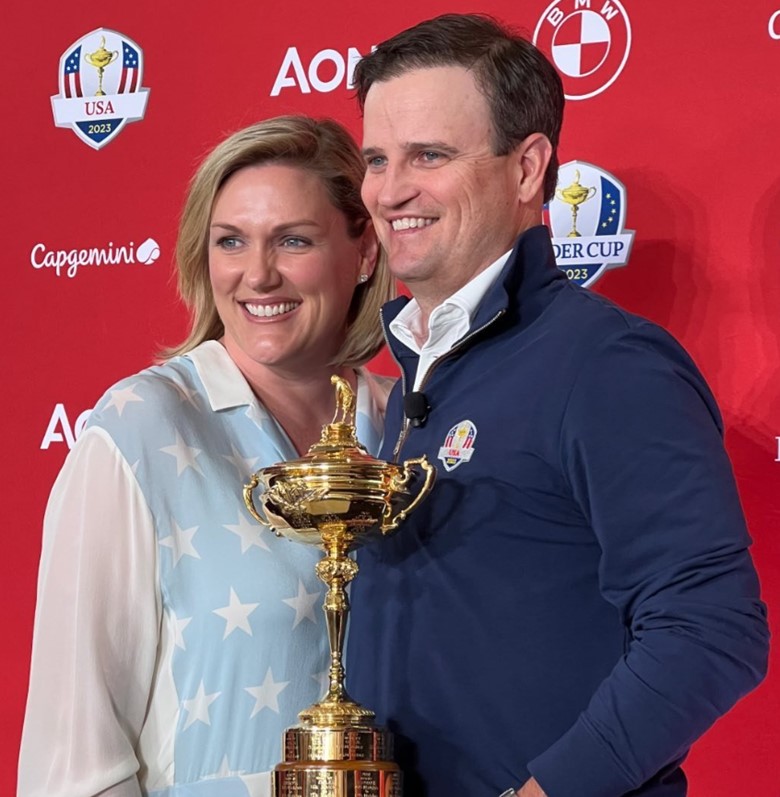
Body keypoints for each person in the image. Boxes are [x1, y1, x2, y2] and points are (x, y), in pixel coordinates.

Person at [345, 13, 769, 797]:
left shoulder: (606, 363)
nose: (390, 189)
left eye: (428, 156)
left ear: (528, 167)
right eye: (377, 158)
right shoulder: (412, 379)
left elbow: (713, 629)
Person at [18, 115, 395, 797]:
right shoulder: (141, 427)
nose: (258, 274)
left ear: (363, 251)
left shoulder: (404, 426)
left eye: (293, 240)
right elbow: (75, 757)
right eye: (231, 241)